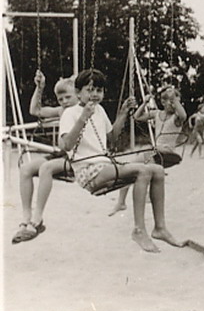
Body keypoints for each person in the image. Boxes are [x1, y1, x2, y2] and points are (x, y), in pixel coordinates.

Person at [59, 68, 183, 253]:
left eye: (99, 90)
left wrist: (123, 113)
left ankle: (160, 228)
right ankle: (139, 230)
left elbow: (111, 138)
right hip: (87, 171)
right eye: (90, 90)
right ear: (78, 92)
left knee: (157, 171)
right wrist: (83, 117)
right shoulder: (70, 113)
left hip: (105, 166)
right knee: (143, 170)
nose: (95, 94)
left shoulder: (99, 110)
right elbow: (66, 145)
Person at [11, 70, 78, 243]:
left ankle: (38, 218)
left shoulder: (82, 110)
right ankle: (26, 217)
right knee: (26, 169)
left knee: (46, 168)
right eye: (60, 99)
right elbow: (35, 110)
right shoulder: (62, 111)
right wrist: (40, 88)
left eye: (68, 97)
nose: (64, 102)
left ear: (78, 94)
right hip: (62, 154)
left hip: (77, 157)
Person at [108, 86, 188, 216]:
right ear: (163, 102)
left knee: (140, 165)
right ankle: (121, 202)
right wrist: (144, 102)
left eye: (176, 102)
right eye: (171, 101)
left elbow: (183, 115)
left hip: (167, 153)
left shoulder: (176, 118)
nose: (174, 105)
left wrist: (174, 99)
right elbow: (137, 117)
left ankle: (142, 193)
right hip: (155, 152)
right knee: (129, 168)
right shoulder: (157, 114)